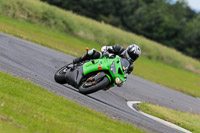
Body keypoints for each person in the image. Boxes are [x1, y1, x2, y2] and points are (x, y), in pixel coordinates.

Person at [73, 44, 141, 75]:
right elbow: (104, 48)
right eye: (132, 55)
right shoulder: (118, 48)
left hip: (112, 71)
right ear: (128, 50)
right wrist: (106, 53)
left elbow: (124, 75)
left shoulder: (130, 67)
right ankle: (80, 59)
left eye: (134, 56)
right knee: (93, 52)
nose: (132, 57)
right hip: (104, 59)